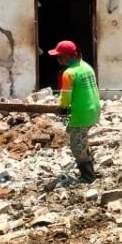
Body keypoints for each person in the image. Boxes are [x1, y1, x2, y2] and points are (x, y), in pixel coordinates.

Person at [48, 40, 100, 183]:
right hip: (93, 110)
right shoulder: (86, 67)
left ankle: (88, 177)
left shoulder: (69, 73)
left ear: (66, 56)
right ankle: (90, 169)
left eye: (59, 56)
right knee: (82, 140)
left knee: (77, 147)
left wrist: (61, 107)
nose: (57, 59)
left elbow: (65, 98)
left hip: (80, 114)